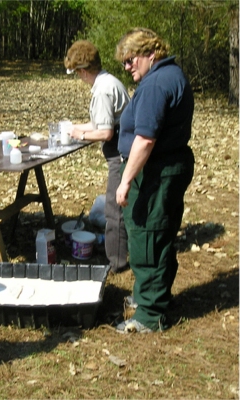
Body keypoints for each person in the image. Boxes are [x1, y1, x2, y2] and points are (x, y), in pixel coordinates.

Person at [114, 28, 195, 333]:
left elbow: (145, 140)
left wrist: (125, 182)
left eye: (131, 59)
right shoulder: (170, 75)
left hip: (155, 172)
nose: (126, 66)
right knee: (161, 234)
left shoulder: (157, 84)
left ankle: (149, 316)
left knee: (147, 236)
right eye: (124, 61)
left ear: (151, 54)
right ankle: (151, 296)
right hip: (168, 166)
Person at [64, 40, 131, 273]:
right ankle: (120, 250)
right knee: (120, 207)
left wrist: (79, 134)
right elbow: (99, 121)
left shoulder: (102, 90)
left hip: (121, 153)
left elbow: (105, 132)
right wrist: (73, 127)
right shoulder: (108, 81)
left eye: (77, 73)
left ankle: (116, 262)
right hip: (124, 148)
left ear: (82, 71)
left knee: (114, 210)